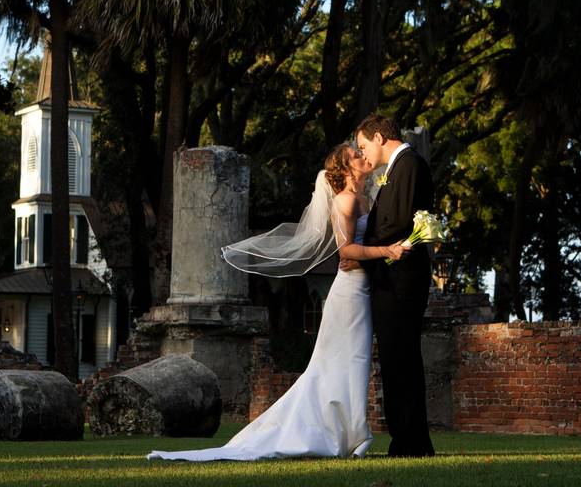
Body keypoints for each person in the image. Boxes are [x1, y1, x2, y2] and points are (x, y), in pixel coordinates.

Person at [147, 143, 408, 461]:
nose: (362, 156)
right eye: (355, 155)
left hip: (363, 287)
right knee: (344, 362)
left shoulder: (367, 198)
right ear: (345, 169)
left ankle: (348, 433)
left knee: (353, 363)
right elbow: (346, 252)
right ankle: (345, 434)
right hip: (349, 293)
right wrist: (388, 251)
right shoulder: (347, 200)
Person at [354, 113, 435, 457]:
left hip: (401, 278)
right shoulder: (398, 168)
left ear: (379, 137)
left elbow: (398, 222)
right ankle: (409, 439)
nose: (362, 153)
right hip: (391, 278)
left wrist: (364, 250)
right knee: (395, 359)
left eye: (362, 145)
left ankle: (409, 442)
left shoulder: (408, 165)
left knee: (400, 359)